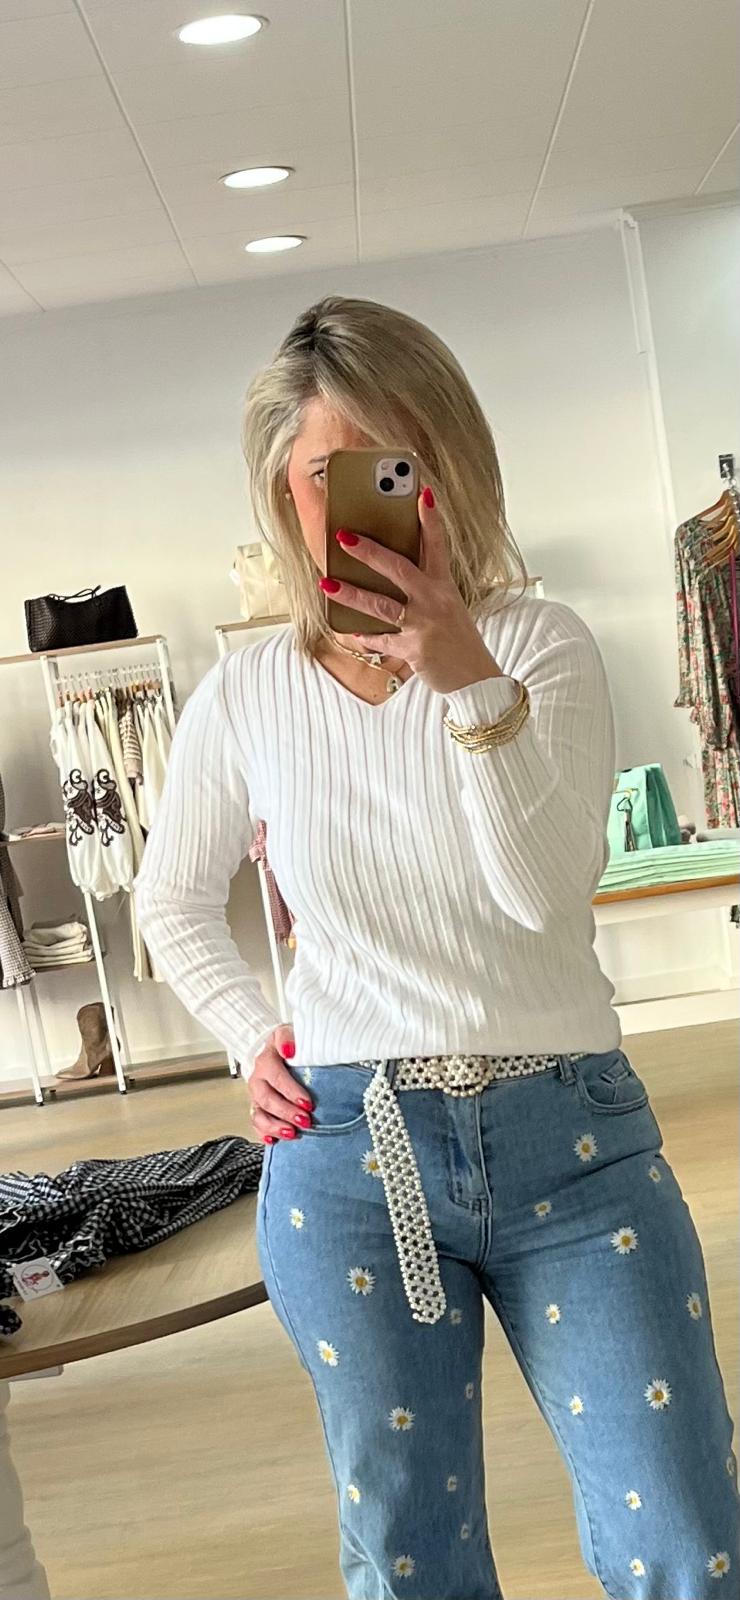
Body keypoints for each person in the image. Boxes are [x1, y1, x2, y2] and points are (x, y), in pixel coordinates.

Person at [134, 296, 739, 1600]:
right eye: (330, 471)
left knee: (688, 1544)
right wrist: (249, 1037)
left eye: (397, 461)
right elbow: (170, 901)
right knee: (411, 1560)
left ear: (452, 463)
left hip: (575, 1148)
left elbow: (541, 892)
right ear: (286, 494)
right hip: (352, 1158)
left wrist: (466, 677)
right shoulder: (246, 695)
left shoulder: (543, 647)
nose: (367, 496)